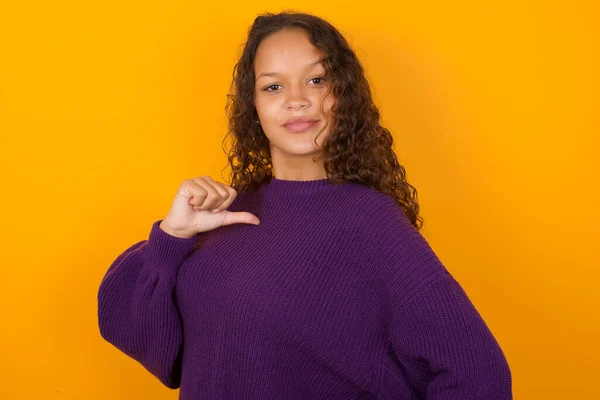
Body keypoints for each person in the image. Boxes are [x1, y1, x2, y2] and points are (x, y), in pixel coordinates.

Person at [97, 10, 512, 399]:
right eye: (273, 86)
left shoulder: (369, 221)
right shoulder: (229, 213)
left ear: (342, 95)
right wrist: (172, 236)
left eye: (316, 80)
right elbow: (139, 335)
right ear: (254, 106)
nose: (296, 99)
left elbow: (477, 373)